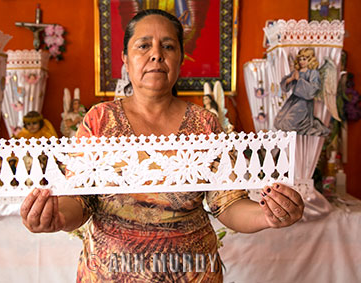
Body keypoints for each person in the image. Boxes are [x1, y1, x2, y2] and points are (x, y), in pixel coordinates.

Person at [21, 9, 304, 282]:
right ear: (125, 58)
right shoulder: (99, 121)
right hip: (109, 274)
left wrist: (268, 214)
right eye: (143, 45)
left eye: (168, 46)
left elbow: (228, 205)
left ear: (180, 58)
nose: (156, 54)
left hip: (193, 273)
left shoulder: (205, 123)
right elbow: (79, 201)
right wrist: (55, 217)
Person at [274, 48, 330, 137]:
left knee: (289, 122)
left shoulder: (313, 72)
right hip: (293, 100)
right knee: (279, 121)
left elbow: (313, 89)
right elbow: (285, 86)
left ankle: (312, 127)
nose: (301, 62)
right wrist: (291, 79)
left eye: (304, 59)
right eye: (300, 59)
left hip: (304, 102)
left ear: (310, 59)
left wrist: (299, 80)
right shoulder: (297, 71)